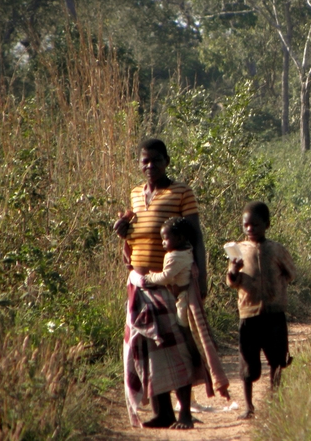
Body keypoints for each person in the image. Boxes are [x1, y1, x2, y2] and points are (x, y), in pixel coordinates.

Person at [114, 138, 228, 429]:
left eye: (155, 160)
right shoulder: (136, 194)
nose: (150, 165)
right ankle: (162, 411)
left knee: (176, 344)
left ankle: (185, 412)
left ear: (167, 161)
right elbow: (136, 237)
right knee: (148, 346)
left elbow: (196, 236)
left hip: (170, 283)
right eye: (145, 161)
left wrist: (200, 277)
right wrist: (123, 232)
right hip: (140, 283)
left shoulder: (181, 193)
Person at [226, 201, 296, 420]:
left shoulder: (276, 249)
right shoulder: (238, 251)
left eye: (255, 225)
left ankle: (275, 402)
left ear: (267, 224)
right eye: (246, 225)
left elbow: (291, 273)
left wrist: (277, 287)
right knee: (248, 364)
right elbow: (232, 282)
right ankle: (249, 406)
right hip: (248, 314)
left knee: (277, 359)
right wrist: (233, 270)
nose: (250, 229)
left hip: (274, 313)